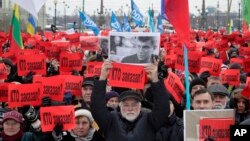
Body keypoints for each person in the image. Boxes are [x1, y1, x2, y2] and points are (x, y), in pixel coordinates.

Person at [91, 59, 170, 141]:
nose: (130, 108)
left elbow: (163, 108)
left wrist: (155, 80)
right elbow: (97, 107)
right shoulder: (110, 121)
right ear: (120, 106)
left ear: (140, 107)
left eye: (134, 105)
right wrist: (102, 78)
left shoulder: (150, 120)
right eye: (126, 105)